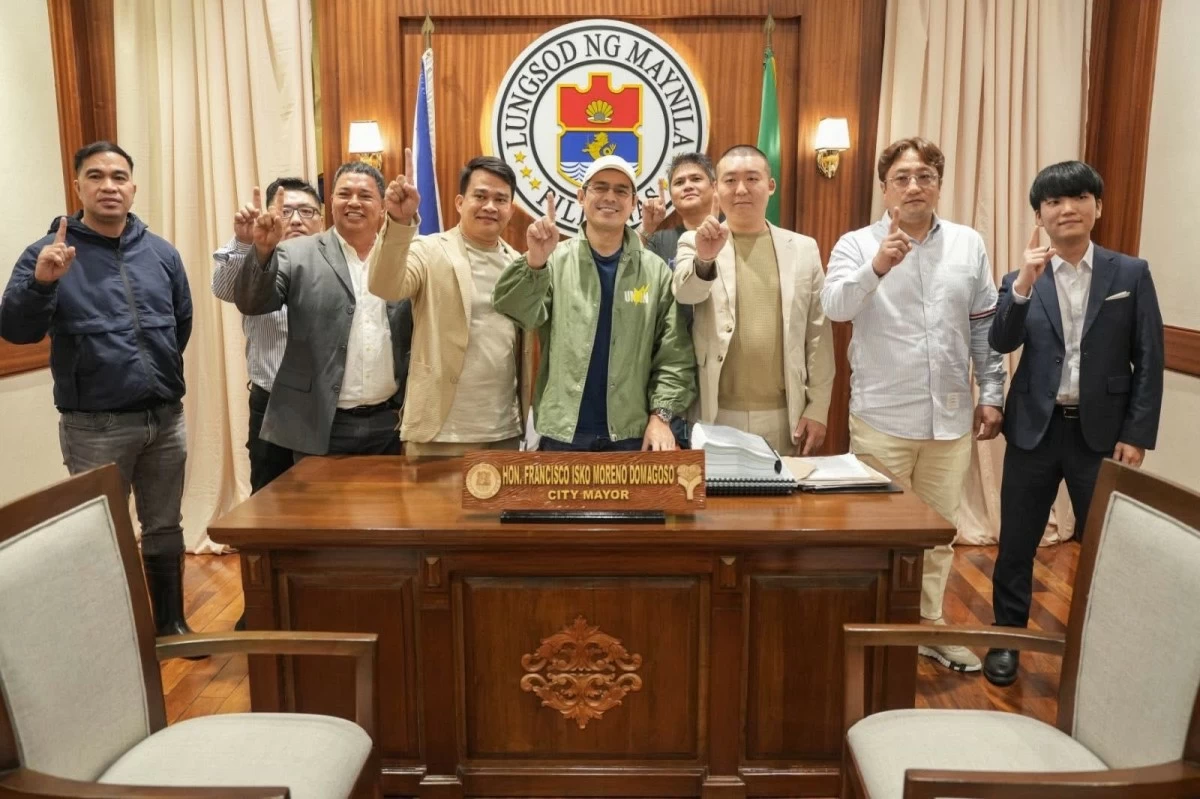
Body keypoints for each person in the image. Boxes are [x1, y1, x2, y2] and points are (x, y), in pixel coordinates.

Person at [1, 141, 199, 642]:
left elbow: (180, 324)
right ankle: (108, 637)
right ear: (77, 186)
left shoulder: (161, 253)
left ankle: (170, 623)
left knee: (164, 525)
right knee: (100, 530)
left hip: (164, 417)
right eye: (95, 176)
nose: (108, 186)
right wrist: (43, 284)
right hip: (96, 424)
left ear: (132, 186)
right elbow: (17, 330)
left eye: (118, 176)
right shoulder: (49, 251)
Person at [822, 137, 1006, 674]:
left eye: (925, 176)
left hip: (949, 418)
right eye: (901, 177)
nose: (913, 186)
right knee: (877, 536)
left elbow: (984, 328)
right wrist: (876, 267)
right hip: (882, 417)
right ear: (884, 188)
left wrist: (992, 393)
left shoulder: (968, 245)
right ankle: (876, 632)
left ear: (938, 185)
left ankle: (928, 628)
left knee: (940, 534)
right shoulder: (857, 244)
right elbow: (835, 307)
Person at [984, 161, 1164, 686]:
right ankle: (1007, 639)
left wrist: (1136, 433)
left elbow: (1148, 357)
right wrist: (1021, 285)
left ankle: (1107, 644)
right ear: (1040, 215)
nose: (1068, 209)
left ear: (1097, 207)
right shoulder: (1023, 277)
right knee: (1017, 541)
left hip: (1102, 435)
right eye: (1055, 202)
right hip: (1035, 430)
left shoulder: (1129, 273)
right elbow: (1000, 342)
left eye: (1079, 198)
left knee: (1108, 544)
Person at [492, 154, 696, 452]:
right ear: (581, 196)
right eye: (600, 187)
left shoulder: (655, 272)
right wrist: (535, 261)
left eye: (621, 190)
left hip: (631, 435)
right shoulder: (555, 260)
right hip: (562, 434)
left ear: (633, 202)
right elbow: (516, 310)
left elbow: (674, 355)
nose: (610, 197)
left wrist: (661, 417)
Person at [234, 162, 412, 457]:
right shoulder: (296, 253)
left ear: (382, 207)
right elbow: (254, 303)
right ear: (331, 204)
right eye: (345, 194)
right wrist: (263, 251)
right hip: (321, 424)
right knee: (312, 505)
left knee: (390, 504)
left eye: (365, 196)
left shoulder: (406, 257)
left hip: (390, 424)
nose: (354, 202)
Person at [672, 145, 834, 455]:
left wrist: (818, 407)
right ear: (717, 190)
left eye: (752, 178)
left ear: (770, 186)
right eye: (730, 180)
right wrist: (705, 259)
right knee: (717, 503)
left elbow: (818, 335)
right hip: (715, 413)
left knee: (780, 504)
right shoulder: (694, 241)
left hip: (784, 415)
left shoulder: (803, 249)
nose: (741, 189)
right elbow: (685, 293)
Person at [368, 152, 531, 456]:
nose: (490, 207)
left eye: (500, 199)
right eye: (480, 196)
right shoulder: (428, 250)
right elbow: (385, 286)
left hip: (503, 432)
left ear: (510, 209)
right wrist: (399, 222)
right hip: (439, 433)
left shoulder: (520, 264)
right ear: (459, 202)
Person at [211, 177, 323, 490]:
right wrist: (246, 243)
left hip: (327, 405)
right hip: (272, 402)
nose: (297, 220)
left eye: (307, 212)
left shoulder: (337, 263)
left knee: (326, 501)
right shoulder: (256, 258)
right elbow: (223, 289)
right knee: (271, 500)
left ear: (323, 220)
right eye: (286, 212)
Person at [638, 151, 719, 448]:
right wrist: (647, 228)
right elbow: (632, 274)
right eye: (679, 182)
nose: (687, 186)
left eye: (696, 179)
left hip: (719, 366)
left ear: (714, 186)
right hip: (673, 363)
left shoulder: (733, 234)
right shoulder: (660, 240)